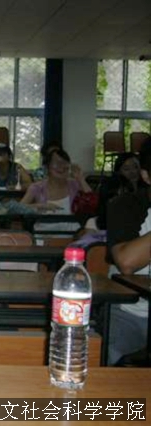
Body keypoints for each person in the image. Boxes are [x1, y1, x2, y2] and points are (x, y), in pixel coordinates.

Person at [106, 136, 151, 365]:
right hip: (131, 313)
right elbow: (127, 262)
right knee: (102, 354)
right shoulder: (124, 205)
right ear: (146, 176)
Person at [20, 148, 91, 237]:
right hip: (44, 234)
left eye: (65, 163)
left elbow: (93, 202)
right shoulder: (37, 187)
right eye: (57, 163)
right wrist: (39, 206)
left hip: (71, 234)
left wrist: (81, 178)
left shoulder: (74, 184)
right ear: (48, 167)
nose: (61, 167)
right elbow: (18, 208)